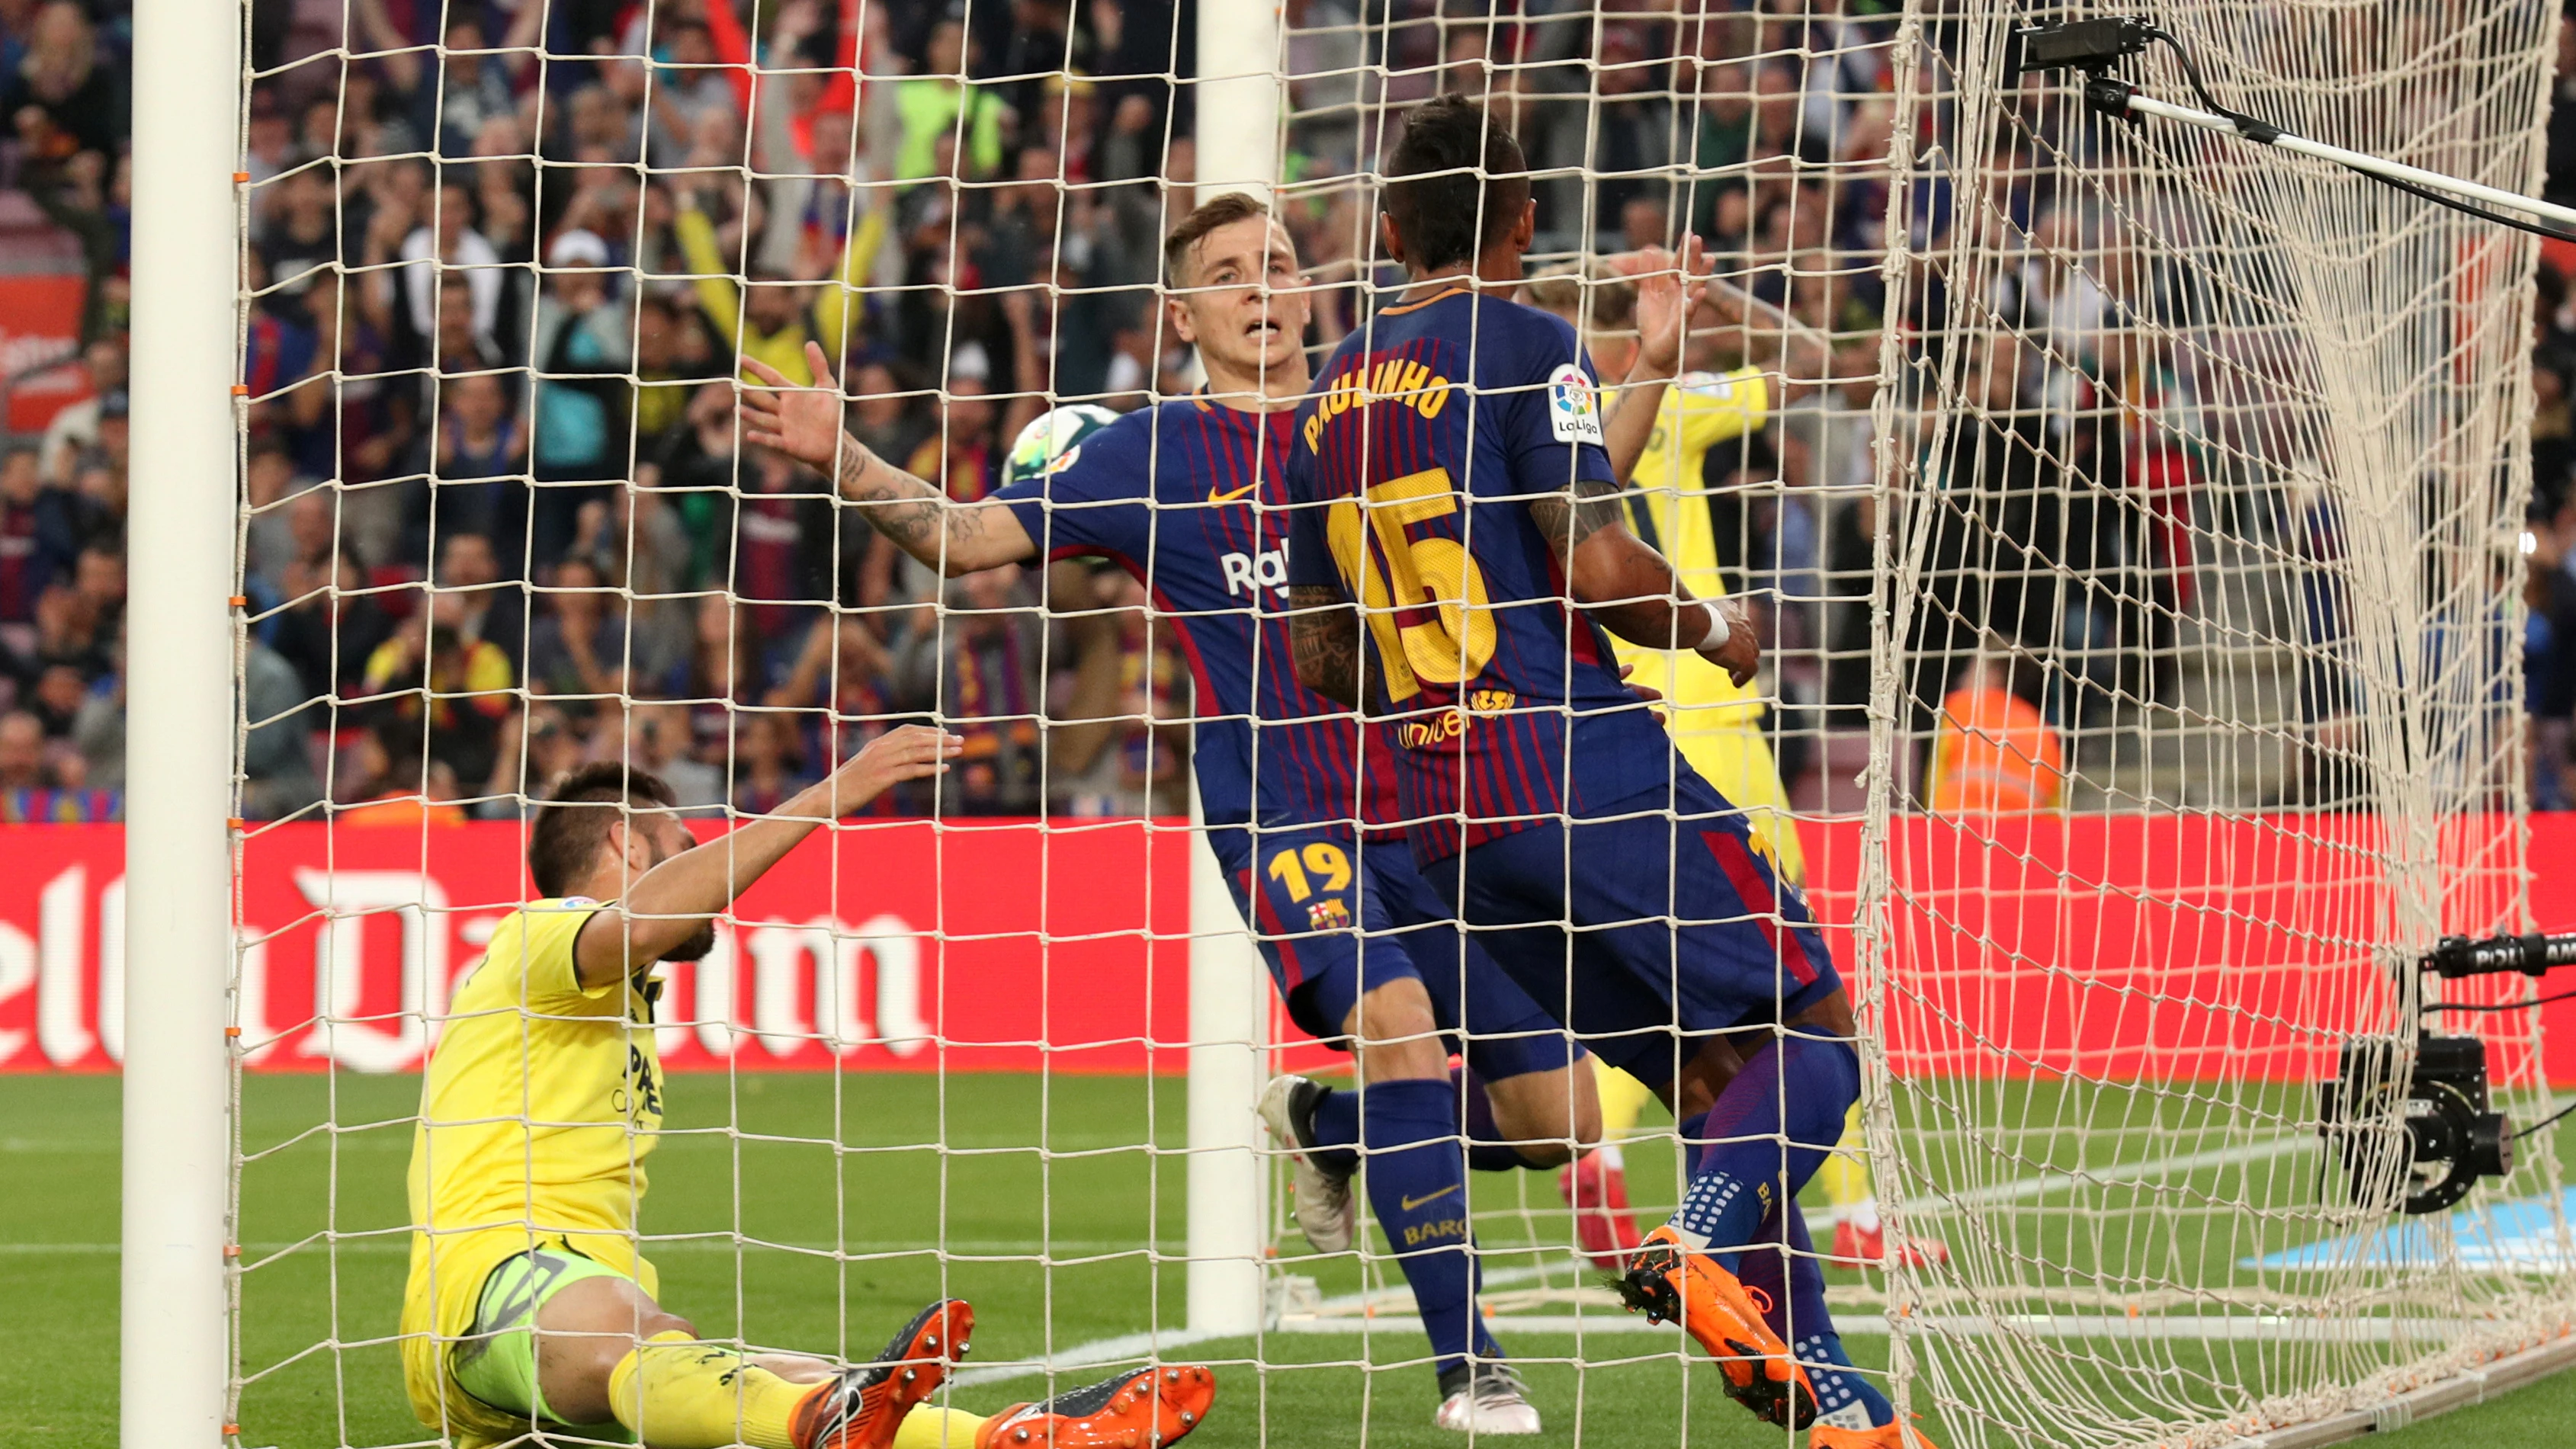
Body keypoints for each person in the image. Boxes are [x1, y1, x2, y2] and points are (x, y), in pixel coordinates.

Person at [741, 194, 1603, 1435]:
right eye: (1228, 273)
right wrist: (841, 451)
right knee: (1399, 1022)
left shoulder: (1385, 411)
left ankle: (1334, 1124)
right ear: (1180, 312)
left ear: (1311, 291)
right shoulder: (1149, 453)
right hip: (1284, 808)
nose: (1261, 288)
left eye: (1278, 266)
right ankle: (1471, 1365)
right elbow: (964, 538)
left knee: (1556, 1120)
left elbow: (1549, 518)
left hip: (1436, 803)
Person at [1282, 95, 1932, 1449]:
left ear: (1389, 231)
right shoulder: (1527, 343)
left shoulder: (1323, 401)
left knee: (1714, 1080)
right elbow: (1593, 563)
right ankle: (1696, 1248)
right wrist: (1717, 626)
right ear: (1523, 224)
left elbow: (1325, 652)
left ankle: (1824, 1402)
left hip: (1445, 821)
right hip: (1579, 769)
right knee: (1813, 1034)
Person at [400, 747, 1219, 1449]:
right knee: (645, 1335)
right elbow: (639, 923)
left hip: (559, 1318)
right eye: (685, 844)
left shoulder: (601, 999)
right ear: (626, 841)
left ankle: (1000, 1433)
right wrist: (839, 789)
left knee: (766, 1372)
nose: (704, 859)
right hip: (489, 1286)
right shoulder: (540, 932)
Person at [1521, 262, 1943, 1271]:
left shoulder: (1535, 434)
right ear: (1636, 341)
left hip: (1614, 708)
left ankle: (1605, 1151)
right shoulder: (1672, 408)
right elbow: (1824, 365)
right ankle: (1857, 1214)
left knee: (1647, 980)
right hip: (1707, 703)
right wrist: (1718, 311)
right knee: (1798, 977)